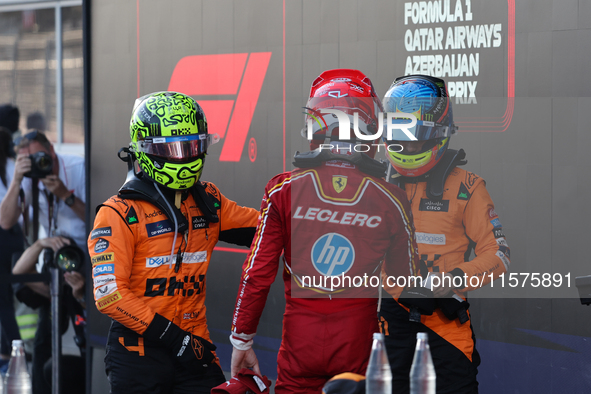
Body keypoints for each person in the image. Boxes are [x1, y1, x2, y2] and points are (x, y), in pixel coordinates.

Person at [229, 69, 420, 393]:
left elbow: (256, 275)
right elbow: (408, 284)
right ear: (369, 127)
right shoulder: (392, 199)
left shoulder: (282, 190)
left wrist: (241, 339)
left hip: (299, 350)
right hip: (357, 347)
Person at [88, 91, 259, 393]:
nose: (182, 157)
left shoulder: (209, 201)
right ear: (144, 149)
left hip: (194, 348)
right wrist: (173, 337)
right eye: (172, 149)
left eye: (192, 146)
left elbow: (268, 229)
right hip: (138, 353)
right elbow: (109, 295)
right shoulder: (119, 213)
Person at [377, 75, 510, 394]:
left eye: (416, 137)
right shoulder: (376, 183)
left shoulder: (468, 186)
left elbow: (499, 256)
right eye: (399, 136)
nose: (407, 146)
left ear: (438, 132)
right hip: (388, 323)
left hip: (446, 324)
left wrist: (452, 278)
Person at [12, 236, 86, 394]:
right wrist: (41, 244)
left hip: (98, 362)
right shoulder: (56, 286)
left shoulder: (87, 281)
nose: (67, 265)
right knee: (50, 367)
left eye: (71, 259)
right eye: (62, 260)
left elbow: (96, 320)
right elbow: (19, 272)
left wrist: (80, 295)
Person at [0, 130, 86, 248]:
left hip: (89, 250)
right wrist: (16, 181)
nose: (37, 165)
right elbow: (5, 222)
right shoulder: (27, 177)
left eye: (41, 159)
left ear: (52, 151)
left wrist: (66, 195)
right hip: (55, 253)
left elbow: (99, 219)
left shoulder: (79, 168)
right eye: (29, 161)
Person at [0, 127, 24, 374]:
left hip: (4, 237)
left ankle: (14, 355)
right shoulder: (15, 166)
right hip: (15, 237)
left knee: (3, 302)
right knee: (6, 299)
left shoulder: (10, 169)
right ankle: (8, 352)